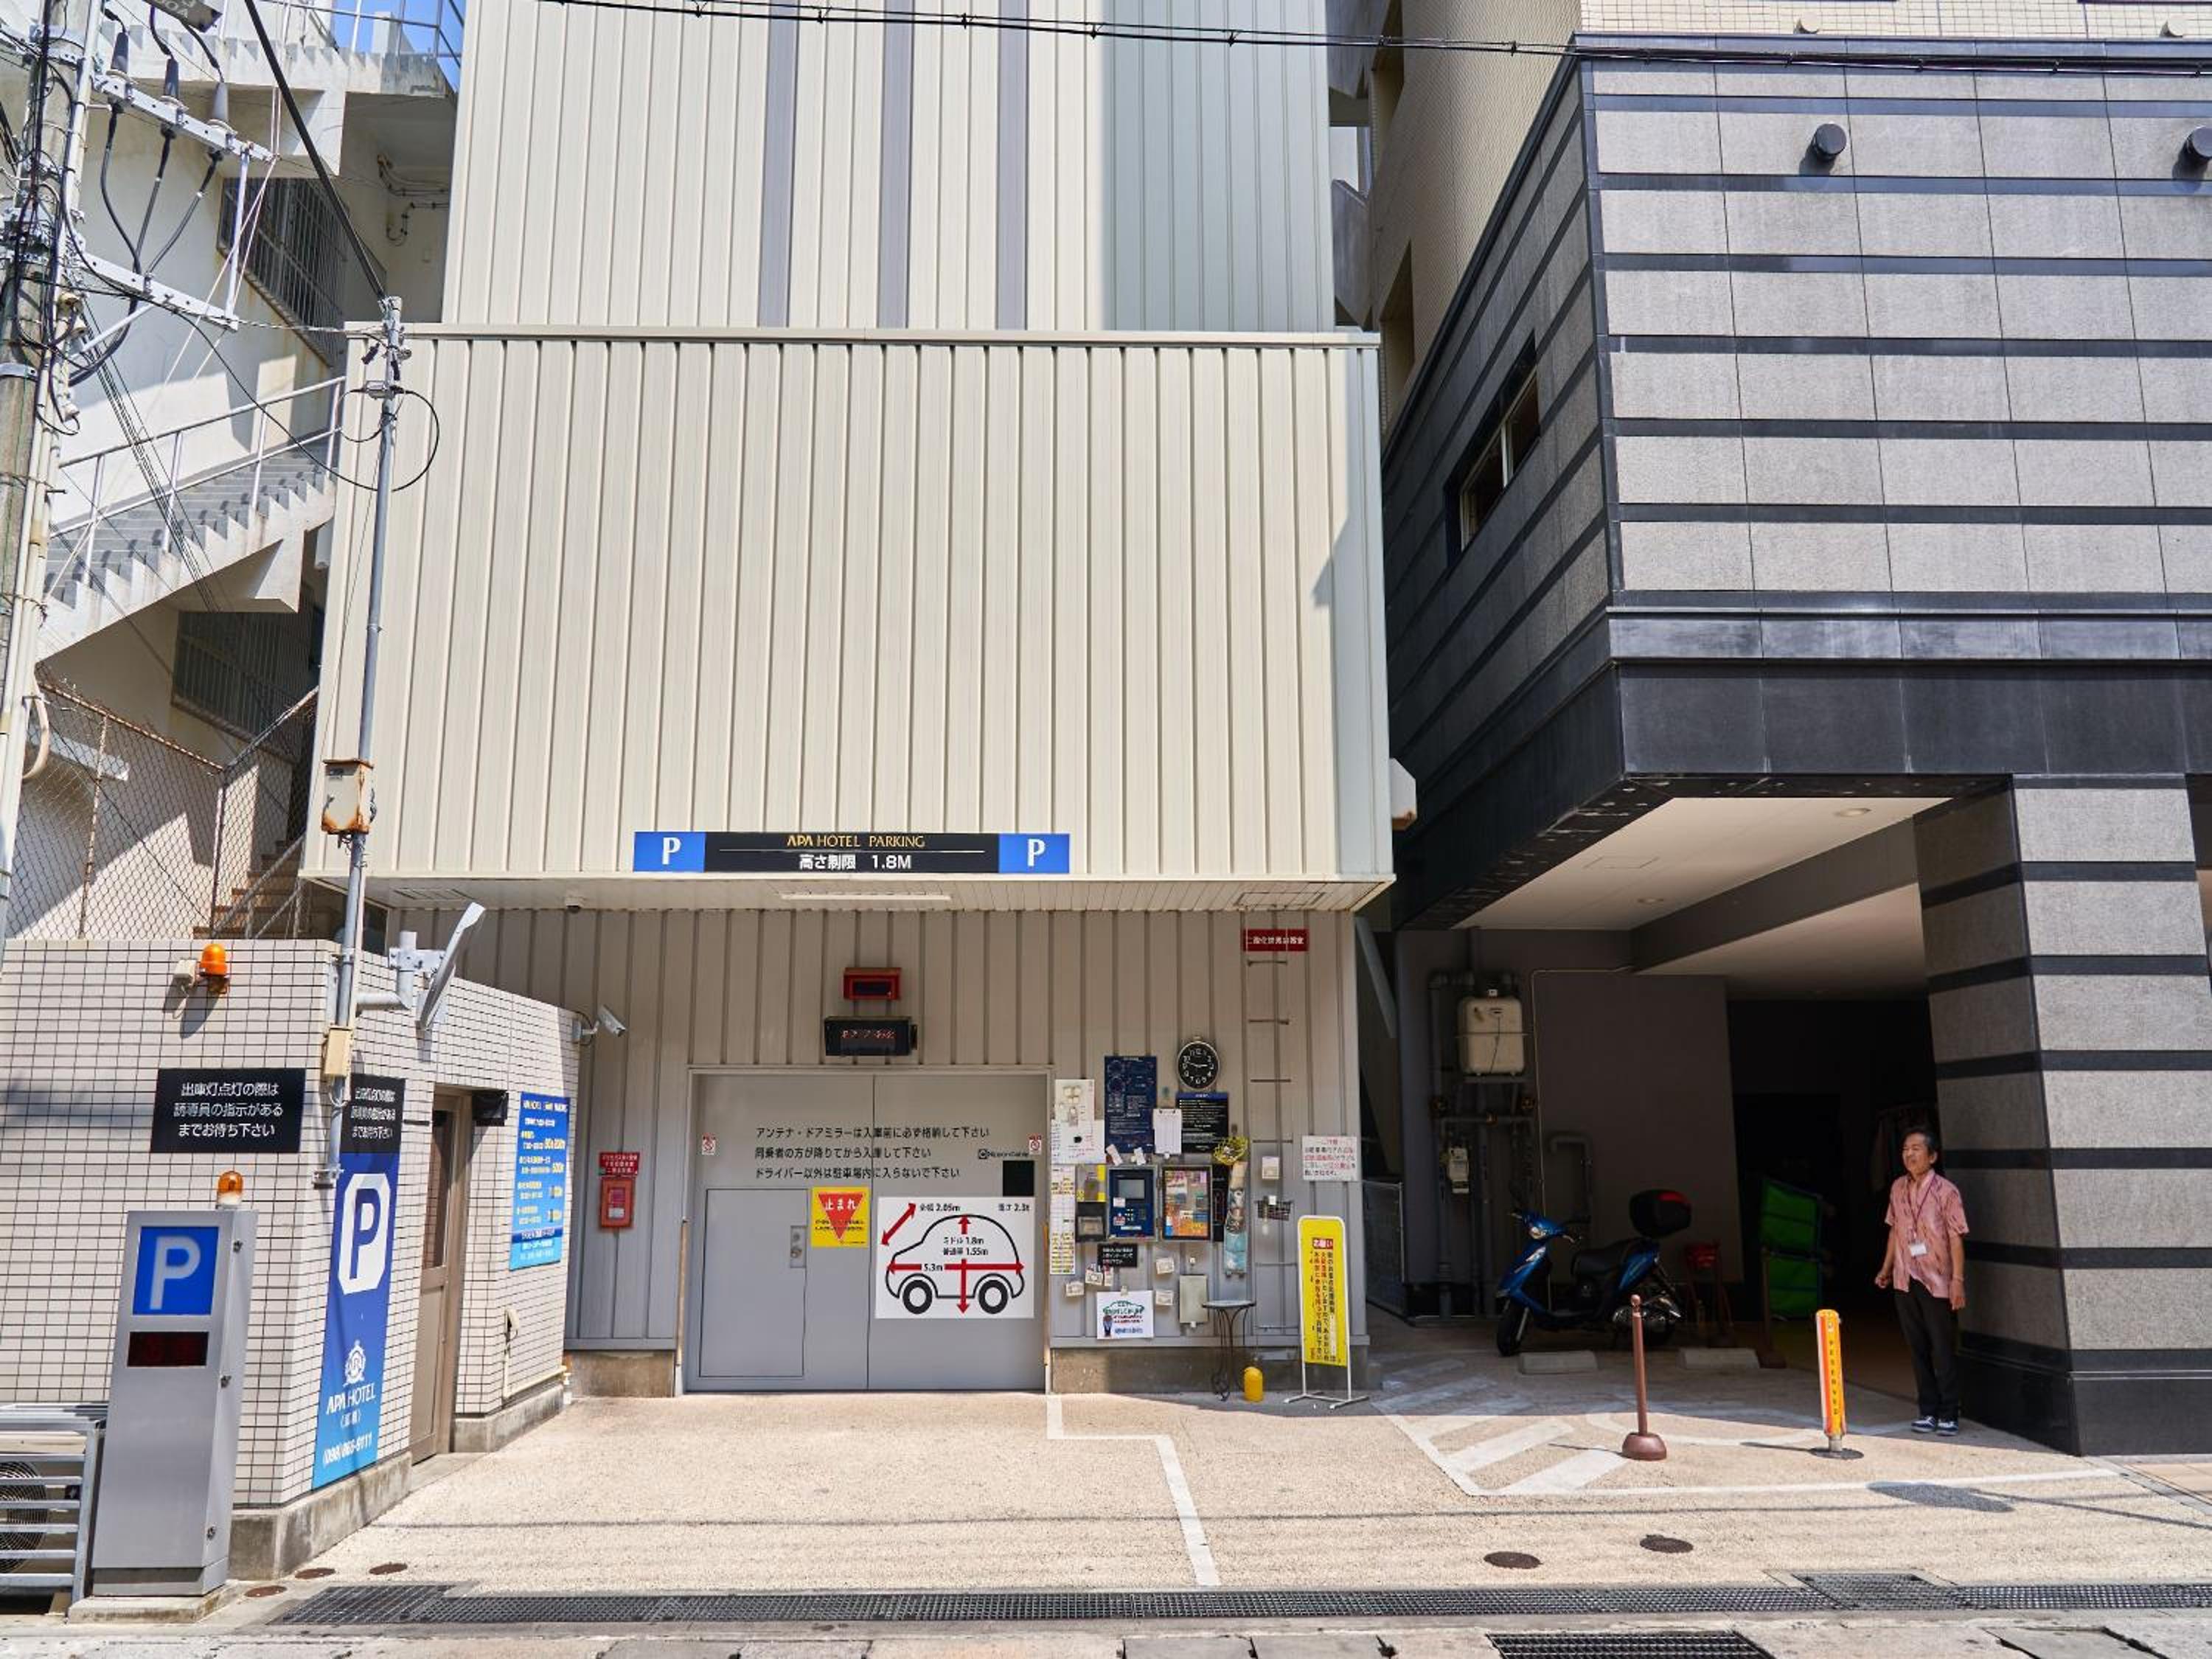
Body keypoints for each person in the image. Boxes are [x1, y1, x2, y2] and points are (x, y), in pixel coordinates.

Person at [1874, 1127, 1969, 1434]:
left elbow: (1956, 1237)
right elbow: (1894, 1230)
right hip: (1905, 1277)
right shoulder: (1897, 1188)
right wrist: (1886, 1268)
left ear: (1932, 1156)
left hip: (1937, 1279)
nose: (1909, 1154)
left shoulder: (1946, 1191)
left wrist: (1957, 1280)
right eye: (1905, 1149)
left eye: (1916, 1149)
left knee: (1942, 1347)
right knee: (1917, 1348)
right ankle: (1927, 1410)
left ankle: (1950, 1412)